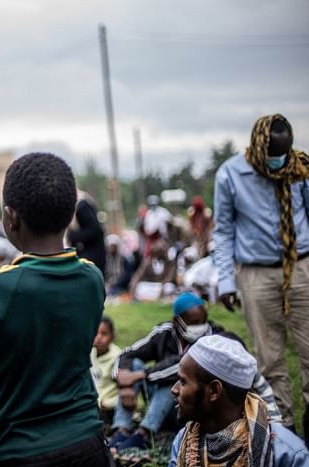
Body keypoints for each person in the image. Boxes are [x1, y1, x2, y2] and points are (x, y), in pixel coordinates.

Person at [0, 152, 112, 465]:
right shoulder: (91, 277)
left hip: (19, 452)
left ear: (10, 217)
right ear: (70, 213)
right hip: (88, 444)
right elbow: (29, 294)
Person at [214, 114, 309, 439]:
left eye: (284, 152)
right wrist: (226, 280)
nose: (278, 160)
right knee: (269, 359)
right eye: (273, 153)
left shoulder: (300, 169)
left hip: (301, 267)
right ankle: (286, 434)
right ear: (258, 145)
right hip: (256, 273)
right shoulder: (231, 174)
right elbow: (224, 230)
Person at [169, 335, 308, 466]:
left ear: (214, 391)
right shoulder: (184, 442)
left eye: (182, 382)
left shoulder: (287, 453)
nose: (174, 389)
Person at [111, 292, 222, 449]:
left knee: (175, 380)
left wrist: (141, 375)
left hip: (192, 406)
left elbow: (181, 366)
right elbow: (127, 354)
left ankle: (144, 433)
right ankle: (121, 430)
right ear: (177, 321)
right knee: (134, 364)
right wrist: (124, 385)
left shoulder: (213, 337)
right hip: (160, 403)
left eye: (203, 321)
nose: (201, 326)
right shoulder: (165, 332)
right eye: (194, 322)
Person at [90, 316, 121, 421]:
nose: (98, 338)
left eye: (104, 334)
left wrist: (109, 402)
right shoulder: (89, 354)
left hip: (108, 407)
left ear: (112, 336)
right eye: (95, 333)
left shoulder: (117, 358)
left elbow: (125, 390)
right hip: (92, 404)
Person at [67, 190, 106, 274]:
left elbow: (95, 230)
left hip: (93, 257)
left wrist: (73, 236)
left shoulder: (82, 206)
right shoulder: (81, 204)